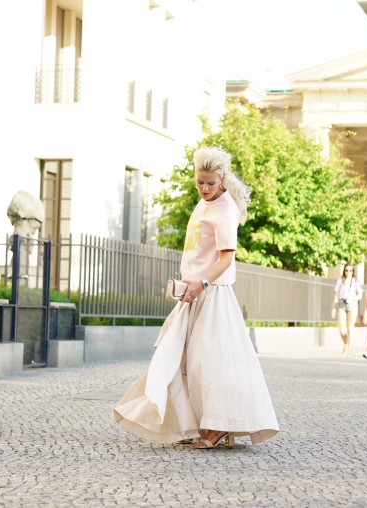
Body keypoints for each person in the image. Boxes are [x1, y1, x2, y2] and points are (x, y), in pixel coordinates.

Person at [112, 146, 279, 449]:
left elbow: (227, 258)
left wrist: (201, 283)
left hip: (212, 295)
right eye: (199, 182)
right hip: (192, 294)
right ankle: (191, 424)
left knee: (211, 363)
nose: (204, 188)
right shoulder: (203, 204)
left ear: (223, 179)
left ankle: (216, 427)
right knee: (183, 361)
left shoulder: (225, 209)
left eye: (210, 184)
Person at [332, 264, 363, 358]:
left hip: (352, 304)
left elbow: (360, 295)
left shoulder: (356, 281)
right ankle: (346, 344)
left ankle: (349, 349)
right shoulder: (340, 281)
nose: (348, 272)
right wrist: (333, 307)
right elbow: (336, 295)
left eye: (350, 270)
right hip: (342, 303)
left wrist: (353, 299)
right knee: (342, 329)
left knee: (350, 328)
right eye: (346, 270)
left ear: (353, 271)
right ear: (344, 271)